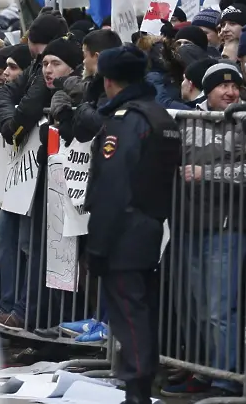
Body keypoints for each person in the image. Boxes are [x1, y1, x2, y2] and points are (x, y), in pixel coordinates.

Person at [84, 45, 181, 403]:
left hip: (124, 229)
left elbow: (114, 185)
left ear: (108, 81)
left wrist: (98, 245)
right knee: (139, 308)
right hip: (151, 224)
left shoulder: (127, 121)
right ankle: (137, 382)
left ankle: (137, 387)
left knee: (129, 312)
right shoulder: (159, 115)